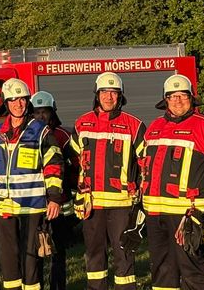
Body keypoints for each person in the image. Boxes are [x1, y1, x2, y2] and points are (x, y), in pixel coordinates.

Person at [140, 74, 204, 290]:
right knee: (161, 268)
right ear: (166, 100)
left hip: (188, 213)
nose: (178, 101)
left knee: (192, 268)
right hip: (155, 213)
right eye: (173, 96)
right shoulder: (154, 127)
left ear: (192, 98)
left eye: (183, 95)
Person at [0, 79, 64, 290]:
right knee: (9, 262)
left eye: (23, 99)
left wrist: (54, 198)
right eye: (13, 100)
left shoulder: (41, 131)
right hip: (3, 208)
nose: (18, 104)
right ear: (6, 103)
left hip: (32, 207)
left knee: (31, 261)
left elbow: (54, 166)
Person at [70, 72, 146, 290]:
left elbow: (146, 163)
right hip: (91, 204)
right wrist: (77, 193)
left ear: (120, 96)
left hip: (122, 204)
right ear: (97, 95)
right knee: (94, 254)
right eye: (104, 92)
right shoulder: (82, 123)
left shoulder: (134, 125)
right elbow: (73, 161)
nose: (109, 97)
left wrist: (140, 194)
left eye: (114, 92)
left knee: (124, 253)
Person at [30, 90, 80, 290]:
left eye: (45, 111)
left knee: (58, 252)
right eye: (37, 112)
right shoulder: (26, 136)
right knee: (35, 250)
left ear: (53, 112)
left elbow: (77, 166)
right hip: (34, 202)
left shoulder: (63, 136)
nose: (41, 116)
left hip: (60, 203)